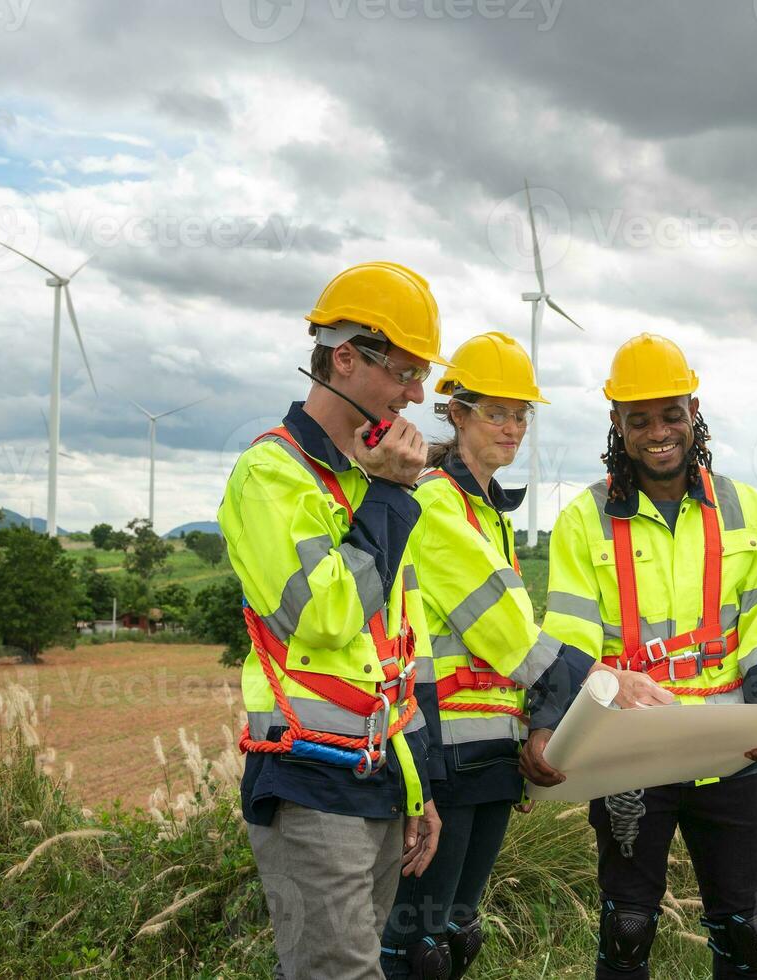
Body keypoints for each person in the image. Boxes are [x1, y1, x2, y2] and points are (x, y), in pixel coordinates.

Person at [379, 332, 669, 979]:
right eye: (495, 412)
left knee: (455, 937)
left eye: (520, 415)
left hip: (489, 750)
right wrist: (598, 677)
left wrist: (530, 728)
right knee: (417, 948)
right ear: (455, 412)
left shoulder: (489, 512)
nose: (511, 428)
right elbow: (504, 631)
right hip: (445, 747)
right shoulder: (435, 501)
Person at [531, 333, 757, 980]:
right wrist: (546, 723)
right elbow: (567, 638)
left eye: (670, 414)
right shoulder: (583, 520)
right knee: (627, 928)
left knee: (746, 930)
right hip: (630, 756)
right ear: (616, 426)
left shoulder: (744, 510)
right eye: (639, 419)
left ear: (692, 412)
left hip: (727, 753)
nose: (659, 432)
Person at [219, 261, 448, 979]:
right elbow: (321, 617)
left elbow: (393, 657)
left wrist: (420, 786)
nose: (416, 395)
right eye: (405, 372)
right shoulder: (271, 475)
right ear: (343, 356)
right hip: (310, 777)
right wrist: (388, 495)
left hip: (380, 776)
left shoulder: (369, 480)